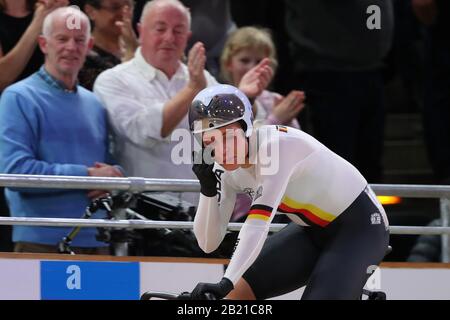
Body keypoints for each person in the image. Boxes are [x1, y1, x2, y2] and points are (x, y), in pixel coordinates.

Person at [188, 84, 390, 300]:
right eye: (211, 141)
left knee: (231, 287)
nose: (222, 149)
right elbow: (209, 243)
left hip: (359, 229)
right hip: (309, 230)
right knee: (234, 299)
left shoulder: (275, 148)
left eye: (228, 136)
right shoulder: (225, 169)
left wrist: (225, 282)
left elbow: (257, 225)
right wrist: (207, 191)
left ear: (246, 126)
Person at [93, 0, 272, 204]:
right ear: (141, 31)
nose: (169, 38)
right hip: (140, 214)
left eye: (178, 31)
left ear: (187, 36)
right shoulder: (113, 80)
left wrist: (246, 96)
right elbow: (143, 131)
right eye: (160, 29)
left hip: (198, 212)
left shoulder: (201, 78)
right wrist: (191, 90)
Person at [0, 6, 123, 254]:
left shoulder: (95, 103)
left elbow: (109, 165)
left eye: (79, 40)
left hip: (96, 239)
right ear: (43, 44)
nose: (71, 47)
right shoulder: (18, 97)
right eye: (62, 39)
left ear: (89, 47)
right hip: (39, 239)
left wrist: (116, 176)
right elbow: (14, 173)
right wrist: (87, 176)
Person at [284, 0, 394, 183]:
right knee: (338, 163)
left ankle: (368, 210)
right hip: (328, 70)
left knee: (370, 161)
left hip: (371, 68)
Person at [220, 26, 304, 222]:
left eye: (259, 61)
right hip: (241, 213)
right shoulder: (218, 101)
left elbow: (298, 154)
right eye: (244, 60)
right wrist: (275, 119)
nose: (252, 68)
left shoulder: (276, 101)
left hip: (284, 207)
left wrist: (286, 120)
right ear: (228, 63)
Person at [0, 0, 68, 92]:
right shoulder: (41, 14)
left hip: (50, 96)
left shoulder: (45, 7)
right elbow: (2, 79)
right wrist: (38, 22)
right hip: (12, 101)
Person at [78, 0, 139, 90]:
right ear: (91, 11)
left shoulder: (142, 47)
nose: (123, 13)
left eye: (128, 7)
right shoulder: (82, 56)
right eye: (115, 7)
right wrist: (131, 53)